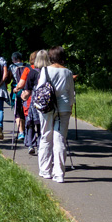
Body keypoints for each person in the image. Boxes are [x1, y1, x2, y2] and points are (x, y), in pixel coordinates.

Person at [35, 46, 76, 183]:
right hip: (64, 108)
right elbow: (71, 93)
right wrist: (69, 106)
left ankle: (45, 170)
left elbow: (40, 89)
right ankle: (59, 174)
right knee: (60, 140)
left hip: (47, 108)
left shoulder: (45, 70)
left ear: (50, 57)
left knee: (46, 136)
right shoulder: (68, 72)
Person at [15, 49, 47, 155]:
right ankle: (42, 144)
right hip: (47, 103)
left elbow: (23, 86)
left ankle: (31, 144)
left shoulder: (30, 71)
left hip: (32, 102)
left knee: (31, 123)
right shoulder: (49, 71)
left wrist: (18, 93)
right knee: (43, 125)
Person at [8, 52, 26, 140]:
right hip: (26, 91)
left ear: (13, 59)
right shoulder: (27, 66)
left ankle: (21, 132)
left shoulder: (12, 67)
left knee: (17, 111)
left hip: (16, 90)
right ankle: (25, 130)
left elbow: (8, 79)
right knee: (24, 110)